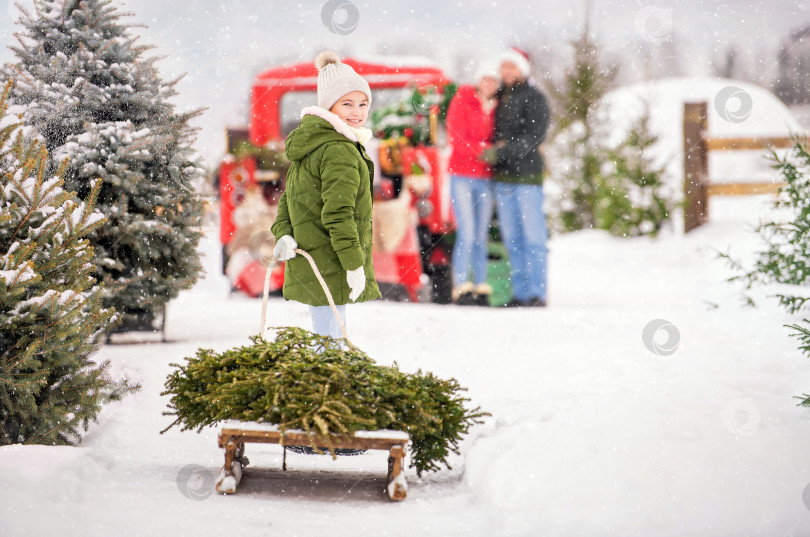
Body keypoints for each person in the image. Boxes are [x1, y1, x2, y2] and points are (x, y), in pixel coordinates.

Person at [271, 50, 381, 339]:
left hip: (314, 256)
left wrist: (283, 232)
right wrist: (353, 264)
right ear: (329, 106)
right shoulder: (339, 150)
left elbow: (289, 199)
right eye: (347, 104)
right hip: (332, 261)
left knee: (327, 336)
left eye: (363, 104)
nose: (357, 112)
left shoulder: (313, 143)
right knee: (331, 344)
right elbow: (338, 212)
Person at [485, 47, 551, 308]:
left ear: (522, 69)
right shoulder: (499, 98)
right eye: (504, 67)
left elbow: (533, 137)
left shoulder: (535, 98)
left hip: (527, 179)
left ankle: (537, 293)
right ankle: (520, 293)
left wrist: (501, 151)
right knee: (511, 239)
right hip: (504, 180)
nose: (507, 72)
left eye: (512, 67)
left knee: (533, 238)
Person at [445, 63, 500, 307]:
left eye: (494, 80)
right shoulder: (463, 100)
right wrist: (482, 150)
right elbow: (456, 137)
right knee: (466, 232)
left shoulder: (497, 107)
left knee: (480, 234)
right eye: (486, 79)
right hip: (462, 175)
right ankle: (460, 285)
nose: (490, 84)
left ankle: (480, 284)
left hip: (485, 177)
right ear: (479, 80)